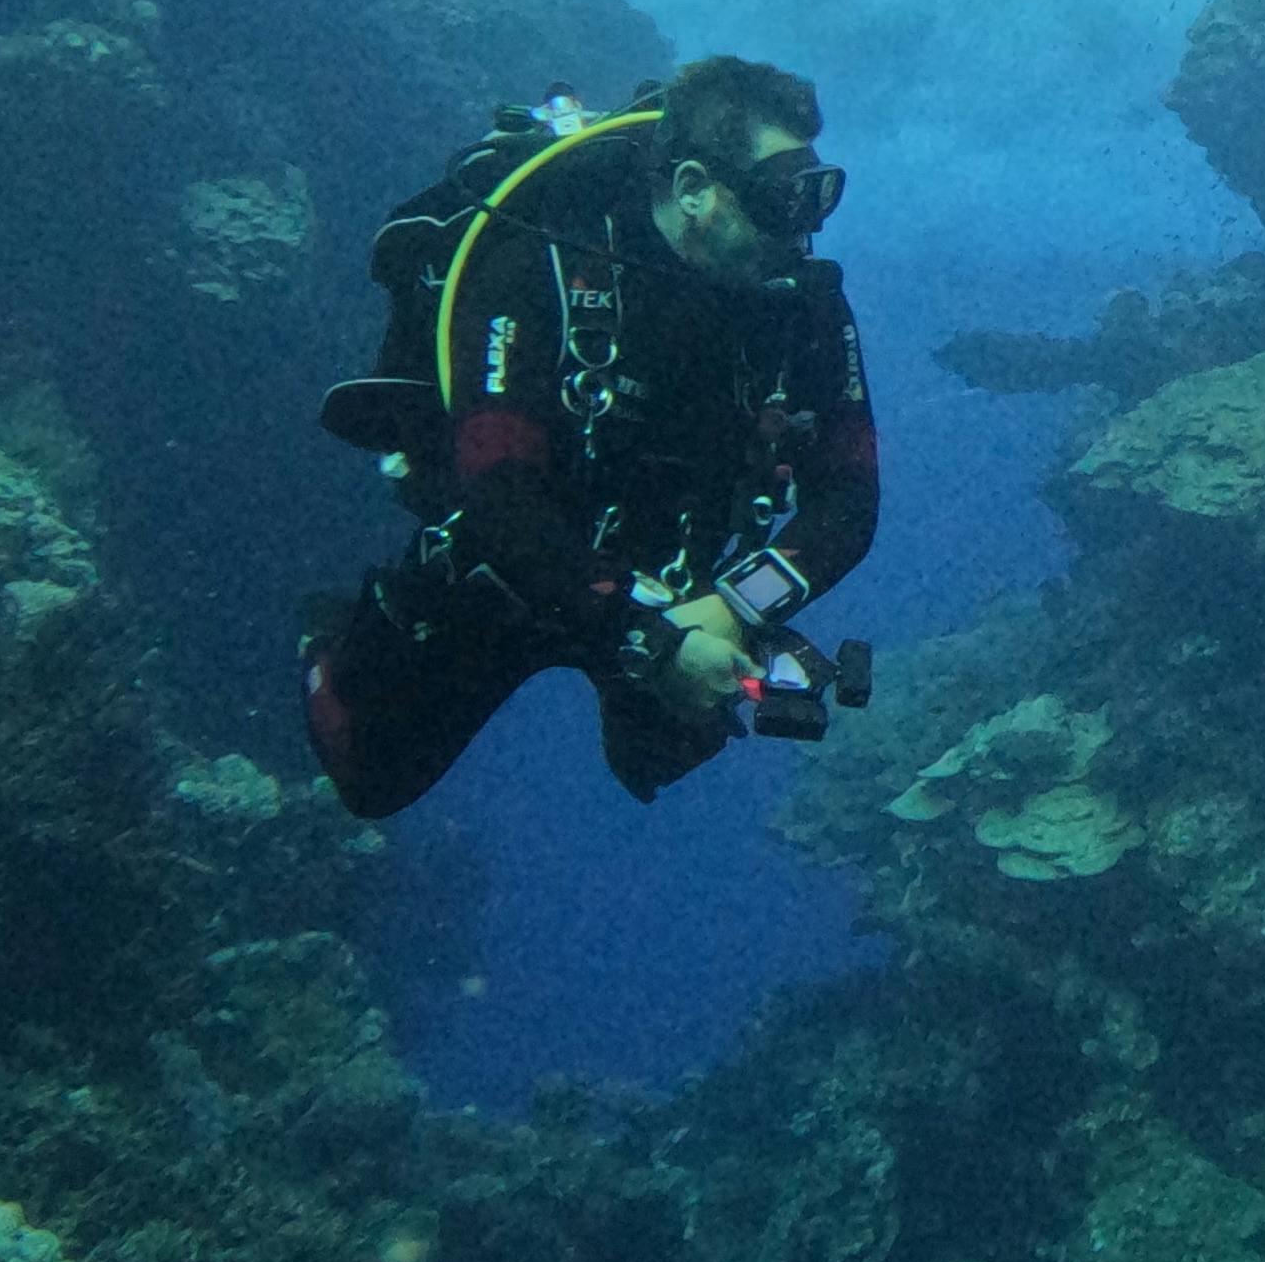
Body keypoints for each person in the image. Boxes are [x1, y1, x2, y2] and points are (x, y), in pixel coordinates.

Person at [299, 56, 877, 821]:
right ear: (695, 189)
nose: (803, 228)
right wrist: (648, 640)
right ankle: (327, 637)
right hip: (515, 566)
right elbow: (498, 491)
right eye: (779, 200)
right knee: (367, 779)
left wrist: (734, 606)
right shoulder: (534, 262)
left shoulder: (802, 305)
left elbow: (851, 497)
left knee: (664, 756)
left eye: (816, 193)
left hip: (677, 575)